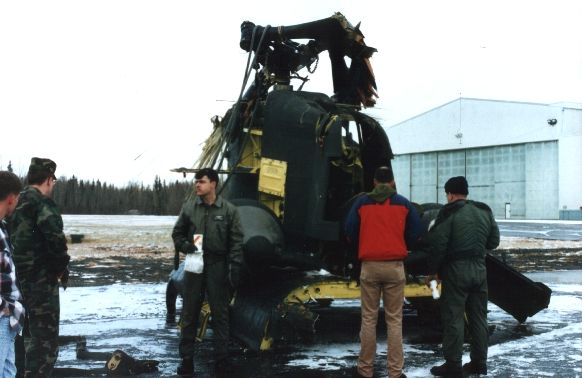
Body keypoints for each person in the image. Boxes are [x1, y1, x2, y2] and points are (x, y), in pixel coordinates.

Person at [345, 166, 422, 378]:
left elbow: (349, 231)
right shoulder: (404, 203)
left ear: (374, 182)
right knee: (394, 320)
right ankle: (395, 373)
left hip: (369, 266)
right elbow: (416, 233)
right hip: (395, 266)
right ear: (393, 182)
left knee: (368, 319)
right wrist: (399, 242)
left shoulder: (362, 202)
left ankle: (365, 370)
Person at [424, 176, 499, 377]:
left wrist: (432, 272)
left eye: (447, 194)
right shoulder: (484, 211)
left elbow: (439, 247)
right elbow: (494, 242)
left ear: (450, 194)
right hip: (480, 270)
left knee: (454, 318)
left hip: (456, 272)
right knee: (479, 319)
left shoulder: (449, 213)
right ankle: (479, 363)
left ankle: (453, 365)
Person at [171, 168, 243, 375]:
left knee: (220, 314)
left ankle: (221, 360)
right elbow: (177, 233)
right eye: (196, 182)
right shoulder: (189, 208)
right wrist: (185, 246)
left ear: (213, 184)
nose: (197, 185)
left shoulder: (229, 211)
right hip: (194, 265)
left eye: (201, 182)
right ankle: (186, 360)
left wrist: (234, 269)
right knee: (189, 313)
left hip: (218, 266)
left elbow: (237, 242)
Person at [9, 158, 70, 377]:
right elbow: (56, 242)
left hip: (14, 283)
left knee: (19, 335)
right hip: (41, 284)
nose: (53, 184)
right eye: (53, 180)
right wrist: (61, 269)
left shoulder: (14, 201)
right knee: (44, 341)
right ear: (48, 179)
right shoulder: (42, 204)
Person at [0, 171, 25, 377]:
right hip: (2, 316)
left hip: (9, 319)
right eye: (17, 197)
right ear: (11, 198)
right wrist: (5, 307)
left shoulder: (3, 228)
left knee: (9, 371)